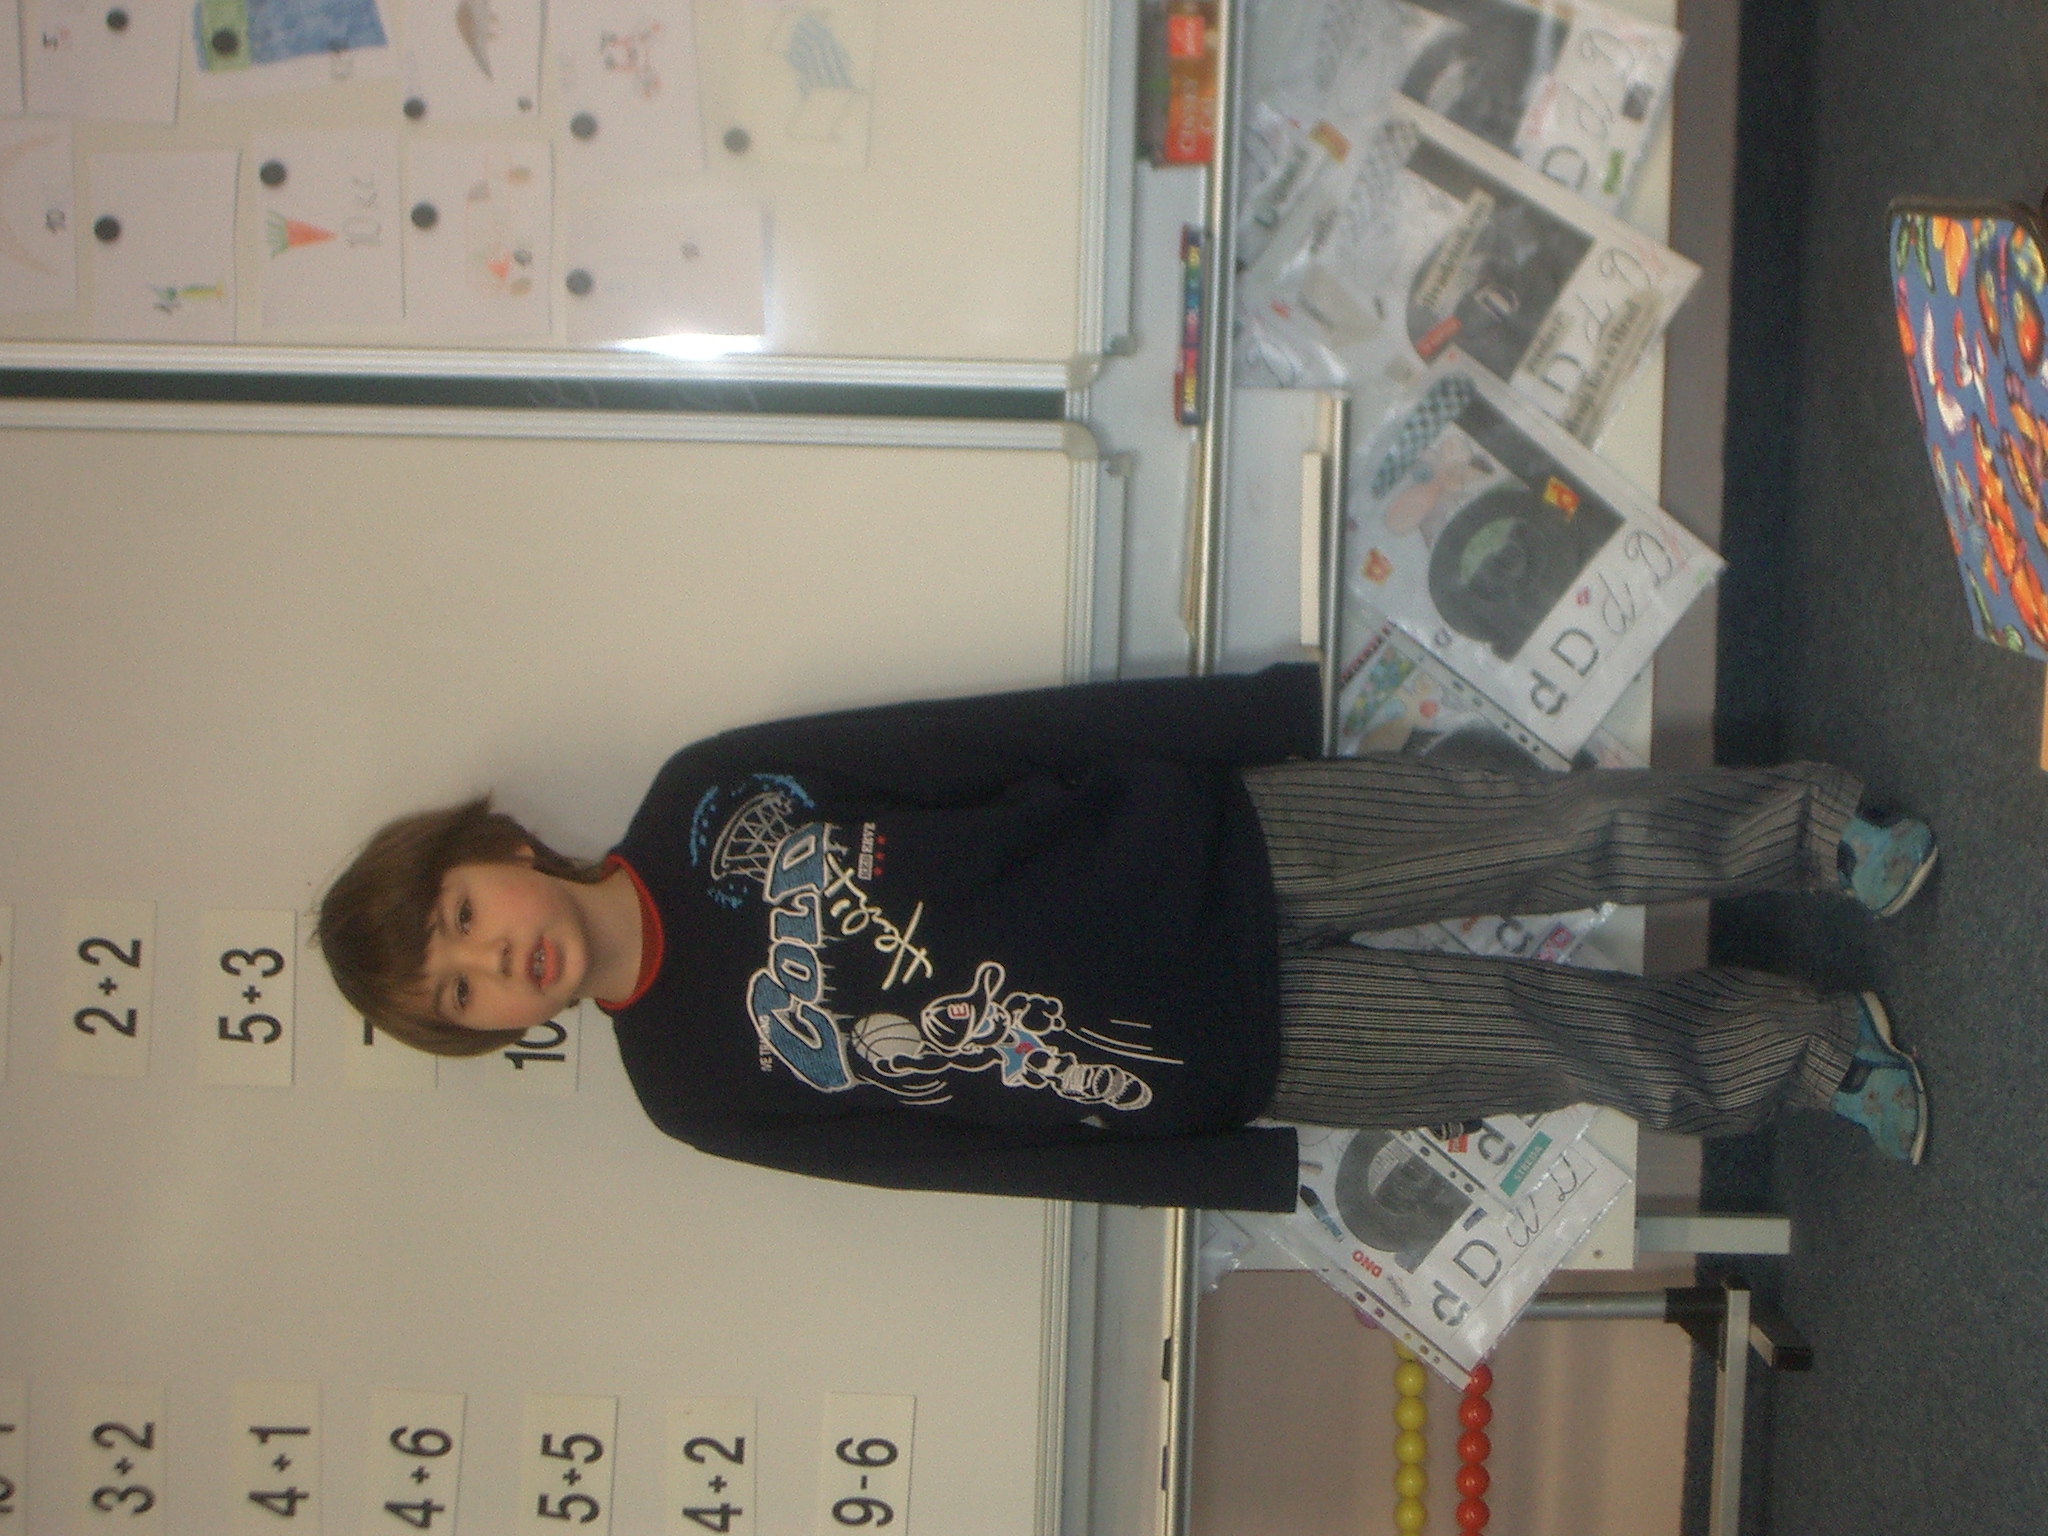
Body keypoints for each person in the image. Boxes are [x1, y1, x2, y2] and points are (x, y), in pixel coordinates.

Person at [314, 663, 1935, 1212]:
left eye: (461, 917)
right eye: (457, 993)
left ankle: (1820, 836)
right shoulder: (684, 1089)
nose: (493, 962)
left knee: (1544, 829)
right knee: (1553, 1040)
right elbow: (945, 1162)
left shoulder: (699, 797)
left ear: (499, 849)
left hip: (1217, 845)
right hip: (1207, 1057)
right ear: (487, 1031)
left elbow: (968, 740)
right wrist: (1203, 1165)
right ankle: (1814, 1059)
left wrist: (1233, 725)